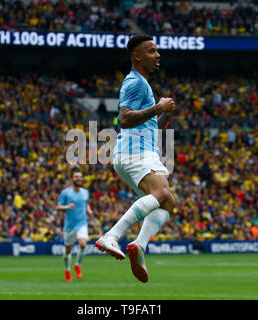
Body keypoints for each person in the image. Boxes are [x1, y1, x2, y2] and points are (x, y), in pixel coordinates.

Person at [95, 34, 177, 282]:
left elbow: (146, 124)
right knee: (162, 194)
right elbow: (125, 119)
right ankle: (111, 236)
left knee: (167, 203)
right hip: (135, 151)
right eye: (151, 51)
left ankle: (139, 246)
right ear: (137, 56)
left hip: (136, 151)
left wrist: (164, 116)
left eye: (157, 50)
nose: (158, 54)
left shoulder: (142, 84)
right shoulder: (136, 83)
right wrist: (158, 108)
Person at [56, 168, 93, 282]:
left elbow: (86, 204)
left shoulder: (85, 192)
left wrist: (89, 211)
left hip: (82, 223)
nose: (79, 178)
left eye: (80, 177)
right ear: (72, 179)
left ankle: (77, 265)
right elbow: (58, 206)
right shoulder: (65, 192)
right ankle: (67, 270)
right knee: (68, 250)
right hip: (70, 226)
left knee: (83, 244)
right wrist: (67, 207)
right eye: (76, 177)